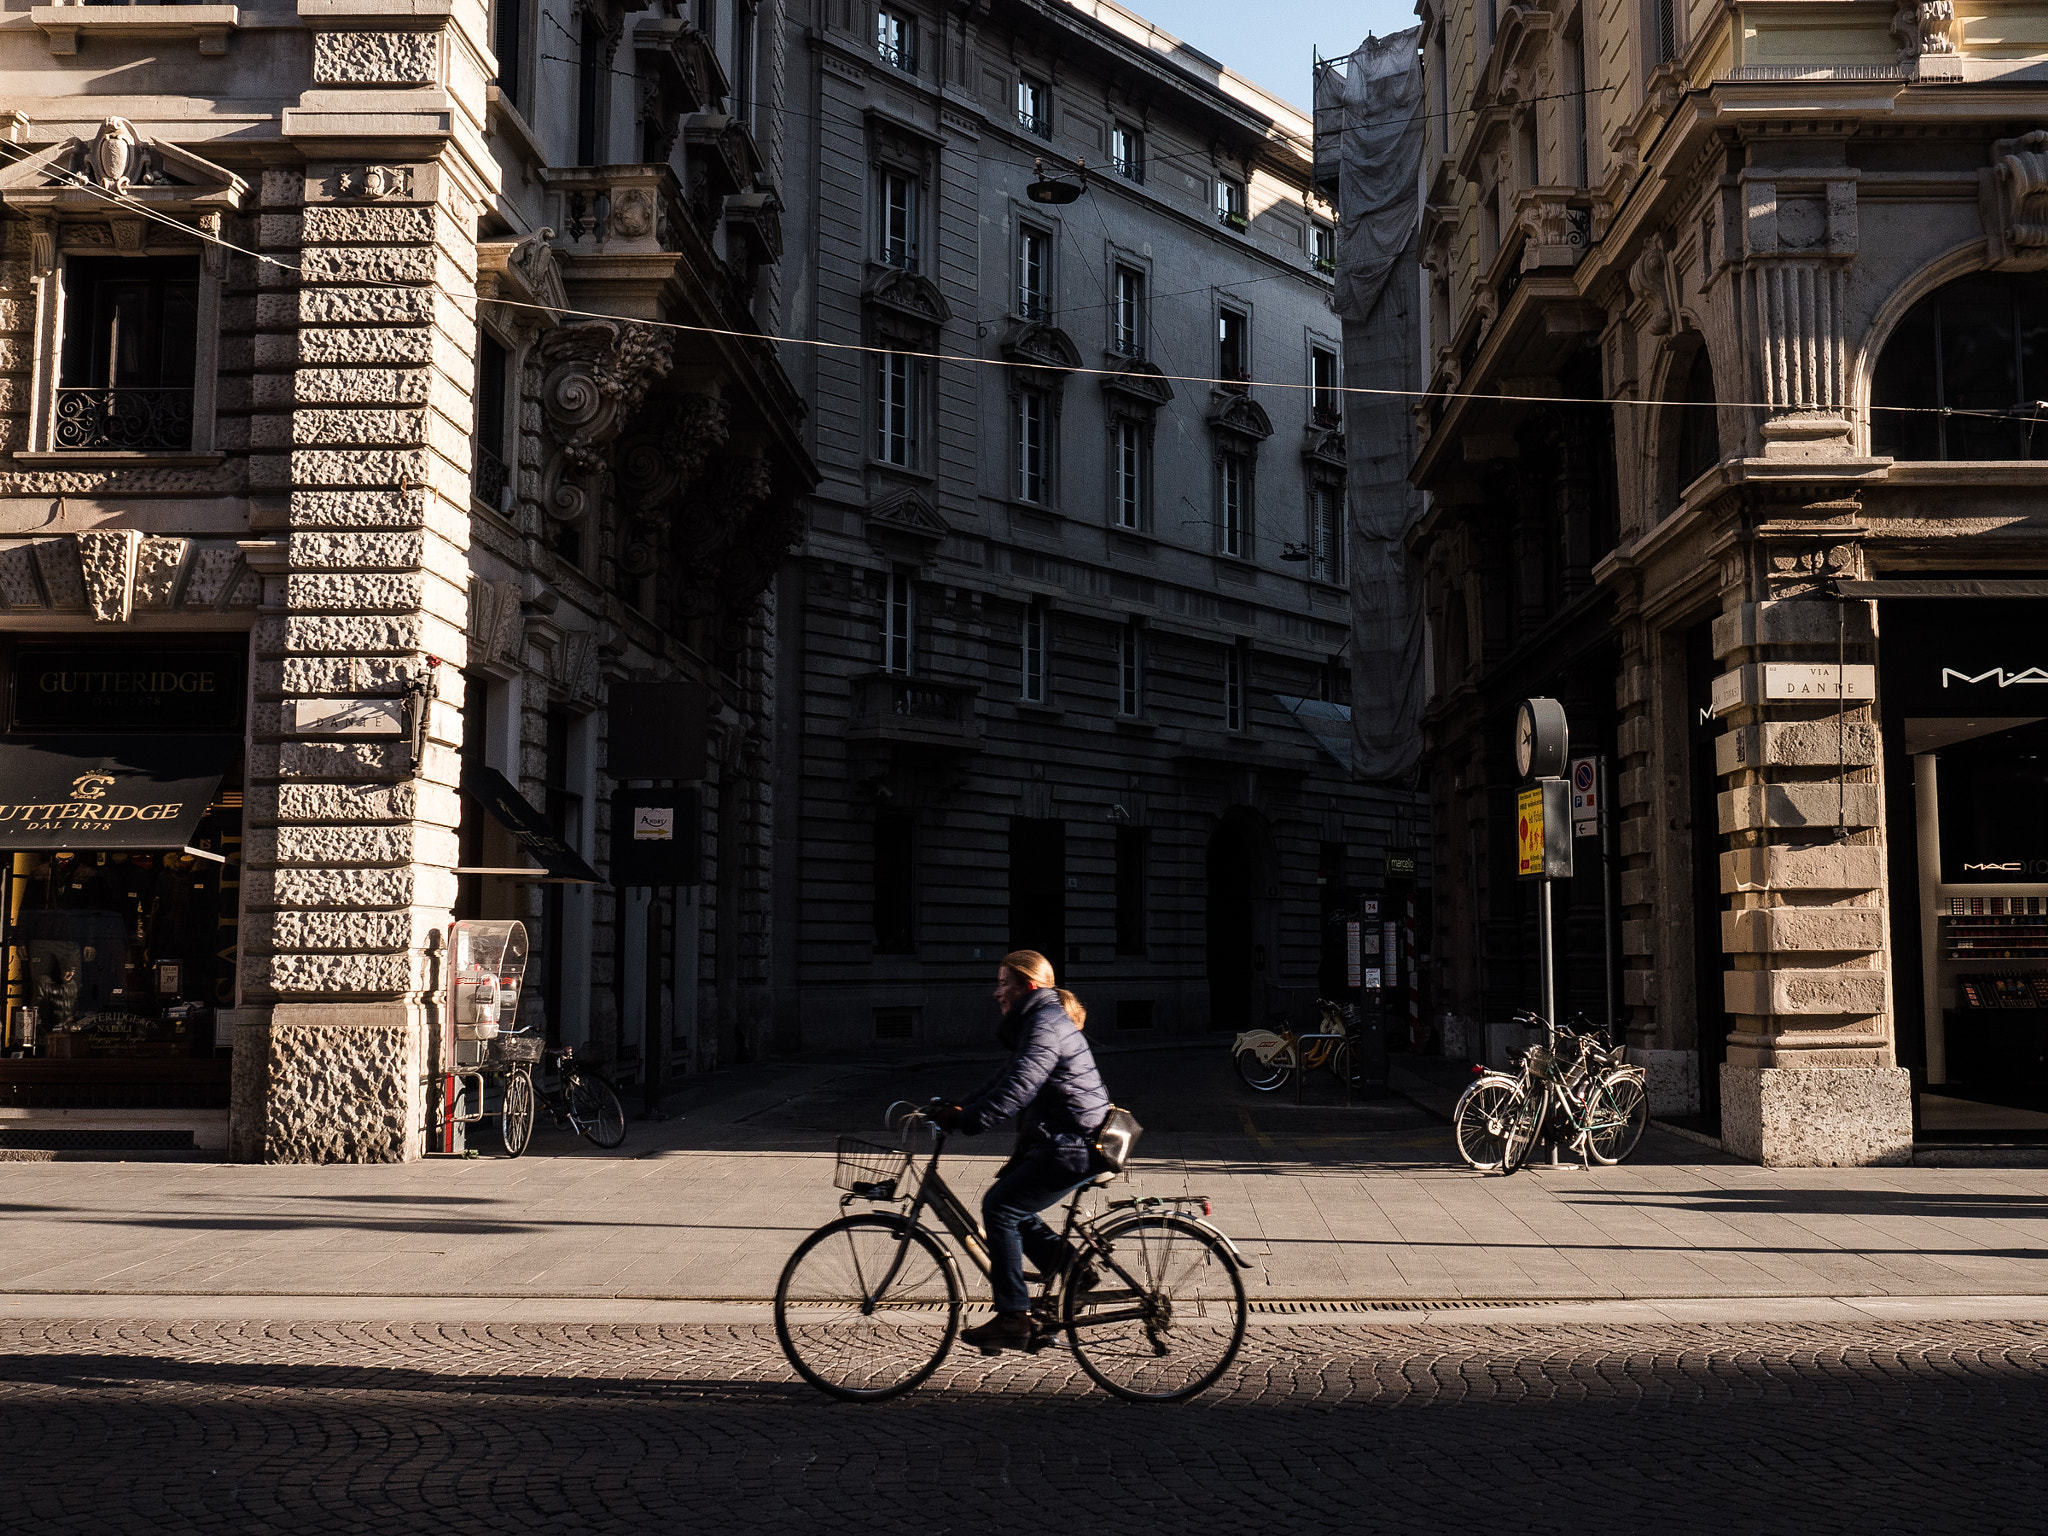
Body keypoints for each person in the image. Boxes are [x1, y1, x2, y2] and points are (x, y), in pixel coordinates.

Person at [929, 949, 1113, 1351]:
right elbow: (1003, 1078)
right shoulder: (1042, 1020)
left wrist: (969, 1121)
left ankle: (1013, 1316)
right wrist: (959, 1106)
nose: (997, 992)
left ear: (1028, 985)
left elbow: (1019, 1088)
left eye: (1003, 983)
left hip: (1075, 1143)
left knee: (1001, 1207)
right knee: (1013, 1202)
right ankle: (1073, 1270)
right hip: (1066, 1138)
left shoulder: (1044, 1024)